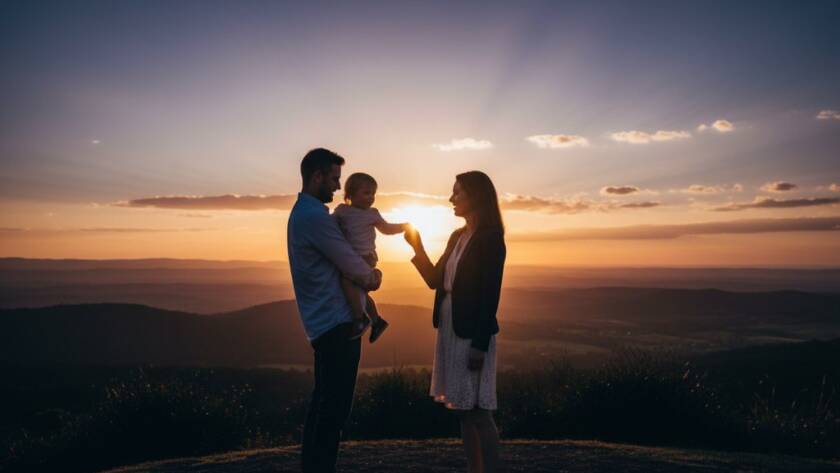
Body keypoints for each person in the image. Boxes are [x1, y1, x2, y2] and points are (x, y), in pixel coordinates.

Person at [287, 148, 383, 473]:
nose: (338, 186)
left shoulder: (304, 214)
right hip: (337, 324)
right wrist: (374, 277)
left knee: (322, 405)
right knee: (334, 412)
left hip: (323, 324)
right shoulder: (315, 218)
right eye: (334, 179)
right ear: (317, 177)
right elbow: (351, 263)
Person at [404, 171, 506, 473]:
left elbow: (490, 296)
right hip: (450, 328)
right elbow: (436, 280)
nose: (451, 198)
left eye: (457, 192)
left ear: (476, 196)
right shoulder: (457, 236)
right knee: (463, 411)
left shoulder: (491, 239)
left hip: (471, 333)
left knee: (478, 412)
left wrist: (479, 345)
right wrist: (417, 247)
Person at [333, 172, 410, 342]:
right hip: (351, 258)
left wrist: (404, 227)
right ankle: (376, 321)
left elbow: (386, 229)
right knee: (358, 292)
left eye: (373, 194)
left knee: (347, 281)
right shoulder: (342, 211)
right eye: (366, 193)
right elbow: (330, 226)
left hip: (366, 258)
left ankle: (359, 319)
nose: (371, 197)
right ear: (351, 194)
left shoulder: (372, 214)